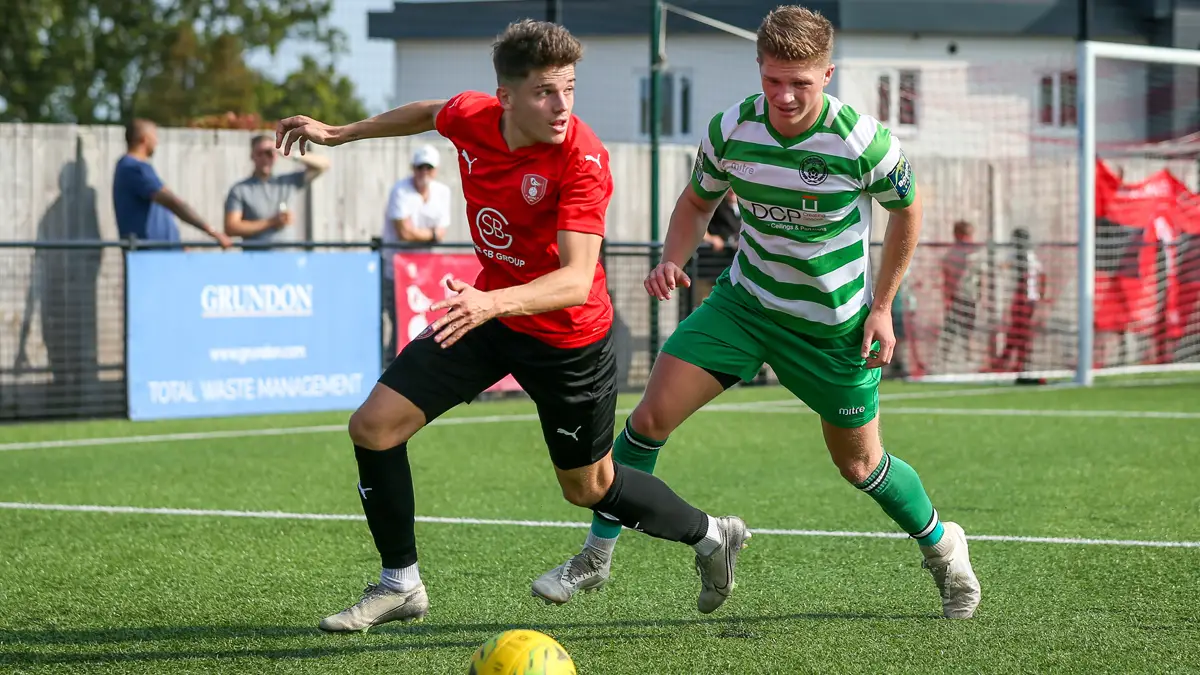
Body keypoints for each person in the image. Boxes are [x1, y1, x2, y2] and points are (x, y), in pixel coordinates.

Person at [275, 19, 748, 633]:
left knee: (589, 486)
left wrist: (489, 305)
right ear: (506, 97)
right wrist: (344, 132)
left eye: (569, 89)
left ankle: (712, 535)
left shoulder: (582, 156)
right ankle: (401, 583)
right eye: (546, 92)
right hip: (491, 310)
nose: (562, 107)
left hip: (567, 340)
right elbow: (430, 111)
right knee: (373, 427)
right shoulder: (474, 116)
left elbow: (577, 279)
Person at [532, 5, 981, 620]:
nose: (786, 95)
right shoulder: (731, 131)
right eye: (773, 79)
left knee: (860, 466)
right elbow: (696, 202)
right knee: (646, 423)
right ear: (759, 69)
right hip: (744, 307)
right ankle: (596, 557)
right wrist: (672, 259)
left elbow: (907, 210)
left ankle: (942, 546)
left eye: (801, 81)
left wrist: (882, 308)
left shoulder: (862, 141)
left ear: (828, 73)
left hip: (832, 329)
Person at [381, 145, 453, 357]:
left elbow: (439, 233)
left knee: (428, 321)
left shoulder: (442, 192)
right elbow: (404, 232)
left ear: (435, 170)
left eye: (428, 168)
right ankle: (392, 366)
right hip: (396, 269)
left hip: (426, 271)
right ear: (413, 168)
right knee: (397, 320)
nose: (424, 172)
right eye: (420, 167)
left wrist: (421, 233)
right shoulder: (400, 190)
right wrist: (430, 234)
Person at [113, 119, 231, 248]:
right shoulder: (135, 168)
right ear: (144, 139)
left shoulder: (129, 167)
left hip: (161, 252)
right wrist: (212, 232)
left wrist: (177, 245)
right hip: (150, 256)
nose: (157, 142)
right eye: (155, 137)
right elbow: (173, 203)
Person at [223, 134, 330, 243]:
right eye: (260, 153)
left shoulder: (287, 182)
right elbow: (231, 228)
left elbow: (324, 165)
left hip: (287, 255)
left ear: (276, 155)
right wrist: (272, 222)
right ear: (252, 156)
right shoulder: (240, 190)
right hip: (254, 256)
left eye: (269, 153)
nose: (265, 158)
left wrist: (291, 153)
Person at [939, 220, 987, 367]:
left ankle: (968, 359)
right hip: (956, 297)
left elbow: (981, 276)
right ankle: (945, 360)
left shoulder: (973, 254)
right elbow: (946, 274)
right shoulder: (955, 253)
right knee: (951, 330)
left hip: (968, 297)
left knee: (967, 330)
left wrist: (981, 294)